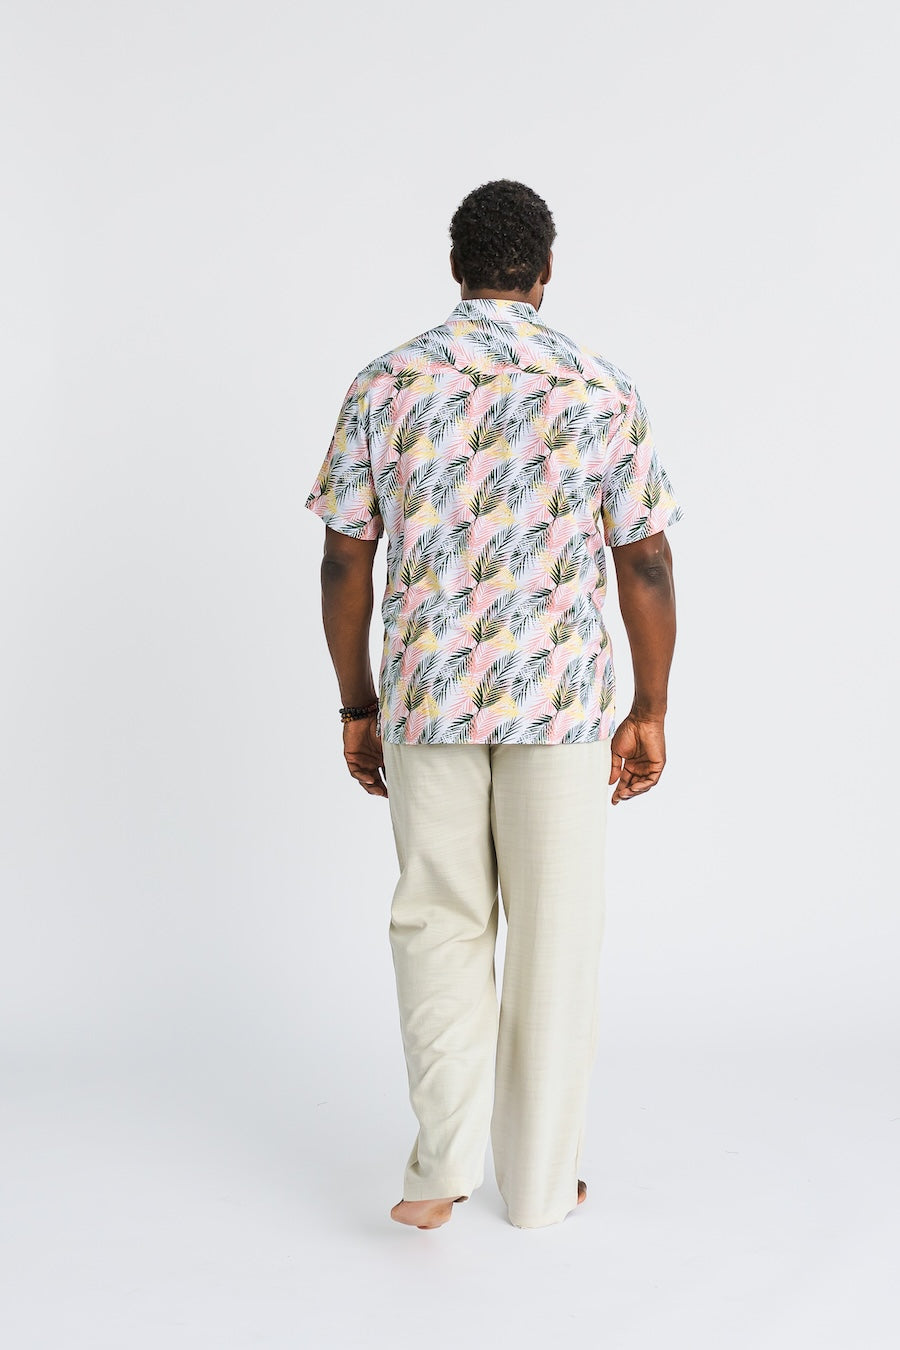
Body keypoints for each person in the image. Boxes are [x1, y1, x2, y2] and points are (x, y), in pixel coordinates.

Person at [304, 178, 684, 1230]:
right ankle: (543, 1187)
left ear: (456, 267)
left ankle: (438, 1174)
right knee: (557, 936)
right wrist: (650, 706)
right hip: (559, 706)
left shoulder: (388, 382)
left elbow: (343, 561)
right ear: (546, 271)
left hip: (427, 698)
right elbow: (646, 562)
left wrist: (356, 704)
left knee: (437, 923)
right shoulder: (599, 386)